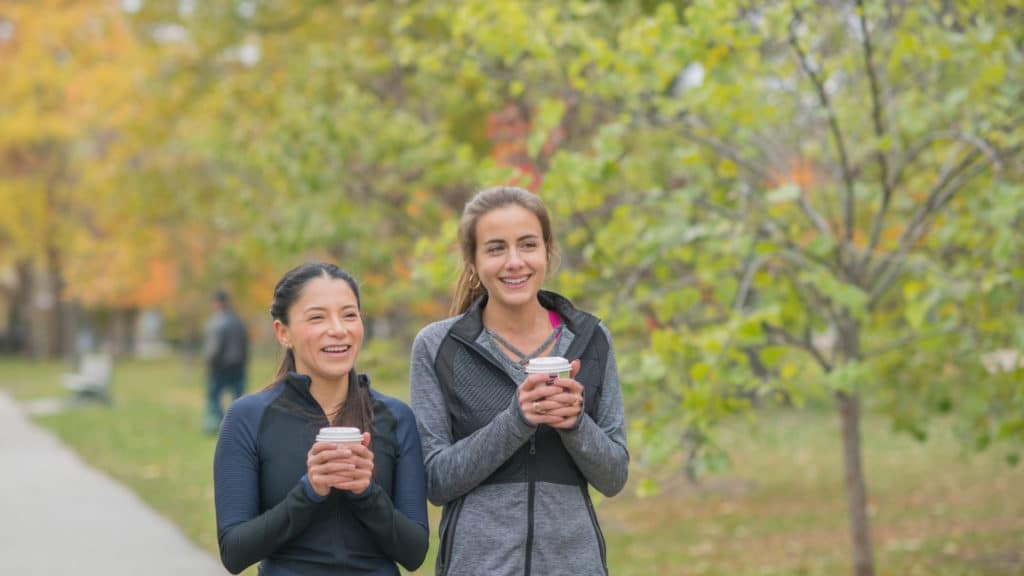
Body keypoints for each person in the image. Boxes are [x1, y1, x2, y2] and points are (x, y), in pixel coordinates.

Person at [409, 186, 629, 576]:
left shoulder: (592, 340)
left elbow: (613, 477)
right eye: (496, 248)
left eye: (527, 245)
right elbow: (436, 481)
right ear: (473, 262)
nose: (515, 262)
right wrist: (517, 420)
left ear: (547, 251)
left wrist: (575, 423)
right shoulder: (437, 346)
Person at [213, 263, 429, 575]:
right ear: (283, 332)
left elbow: (414, 552)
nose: (338, 329)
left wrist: (366, 492)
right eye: (317, 317)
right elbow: (234, 552)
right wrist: (310, 491)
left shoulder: (395, 417)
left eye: (349, 314)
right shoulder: (248, 417)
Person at [203, 289, 250, 434]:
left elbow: (214, 348)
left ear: (217, 303)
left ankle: (221, 424)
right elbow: (245, 345)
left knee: (213, 397)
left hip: (220, 367)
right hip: (239, 366)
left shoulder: (217, 322)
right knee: (238, 399)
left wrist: (208, 365)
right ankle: (237, 427)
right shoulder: (239, 321)